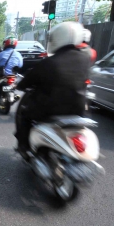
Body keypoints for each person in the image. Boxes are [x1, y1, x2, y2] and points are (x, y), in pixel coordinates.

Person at [14, 22, 93, 155]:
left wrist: (20, 86)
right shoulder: (85, 58)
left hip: (50, 109)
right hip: (78, 108)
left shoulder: (49, 62)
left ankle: (24, 146)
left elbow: (27, 81)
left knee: (25, 115)